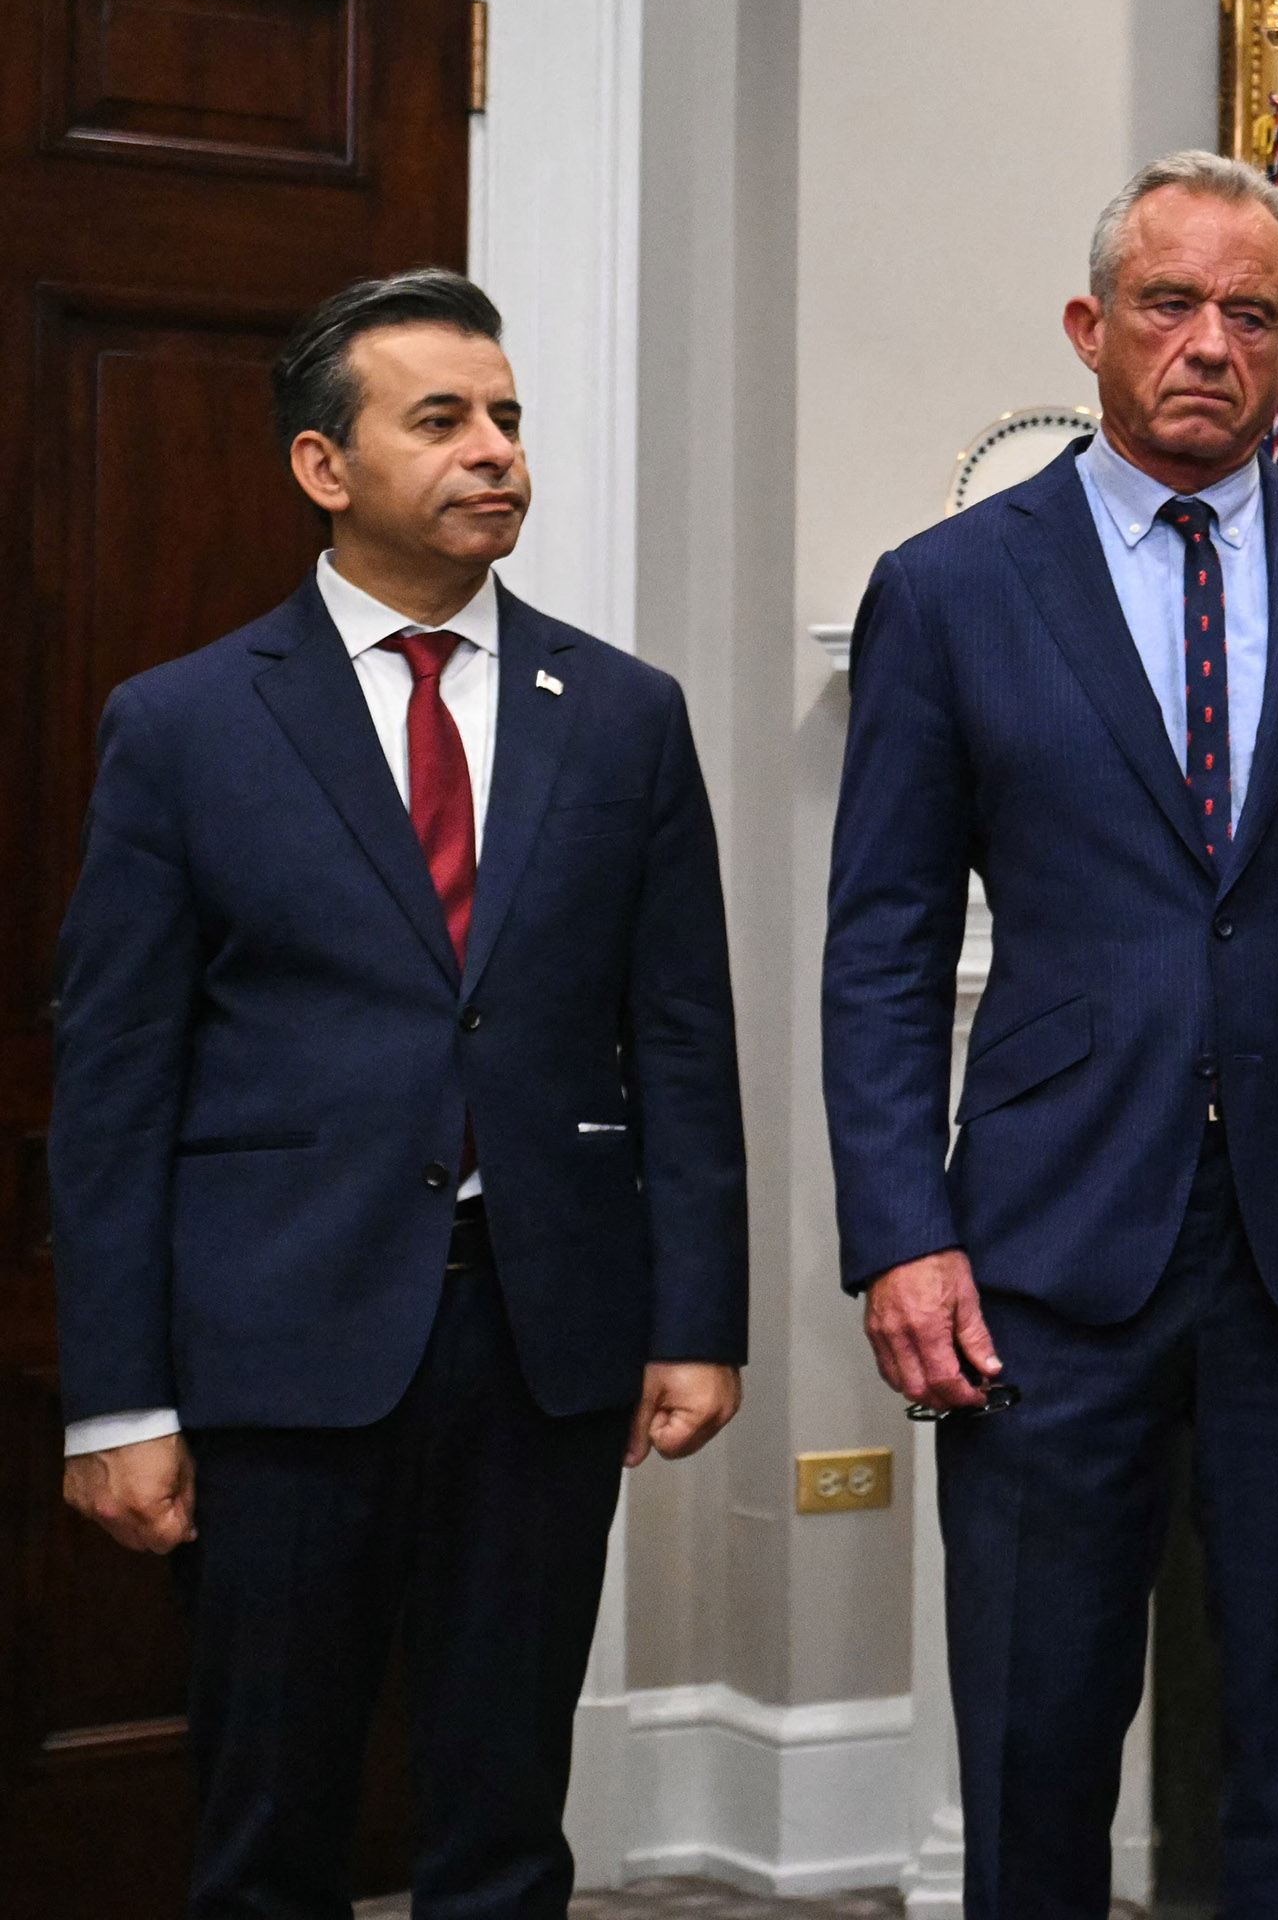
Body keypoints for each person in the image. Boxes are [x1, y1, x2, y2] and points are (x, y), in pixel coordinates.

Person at [824, 149, 1278, 1920]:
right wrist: (901, 1232)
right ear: (1092, 329)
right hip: (1049, 1251)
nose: (1209, 344)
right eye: (1169, 306)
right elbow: (885, 944)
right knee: (1037, 1739)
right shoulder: (952, 588)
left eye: (1251, 315)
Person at [51, 267, 748, 1917]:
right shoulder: (184, 726)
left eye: (506, 417)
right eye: (440, 420)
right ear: (323, 467)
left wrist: (697, 1314)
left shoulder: (627, 720)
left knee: (504, 1816)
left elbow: (684, 1040)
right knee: (273, 1815)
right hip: (279, 1350)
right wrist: (115, 1402)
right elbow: (117, 1086)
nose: (494, 450)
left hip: (547, 1343)